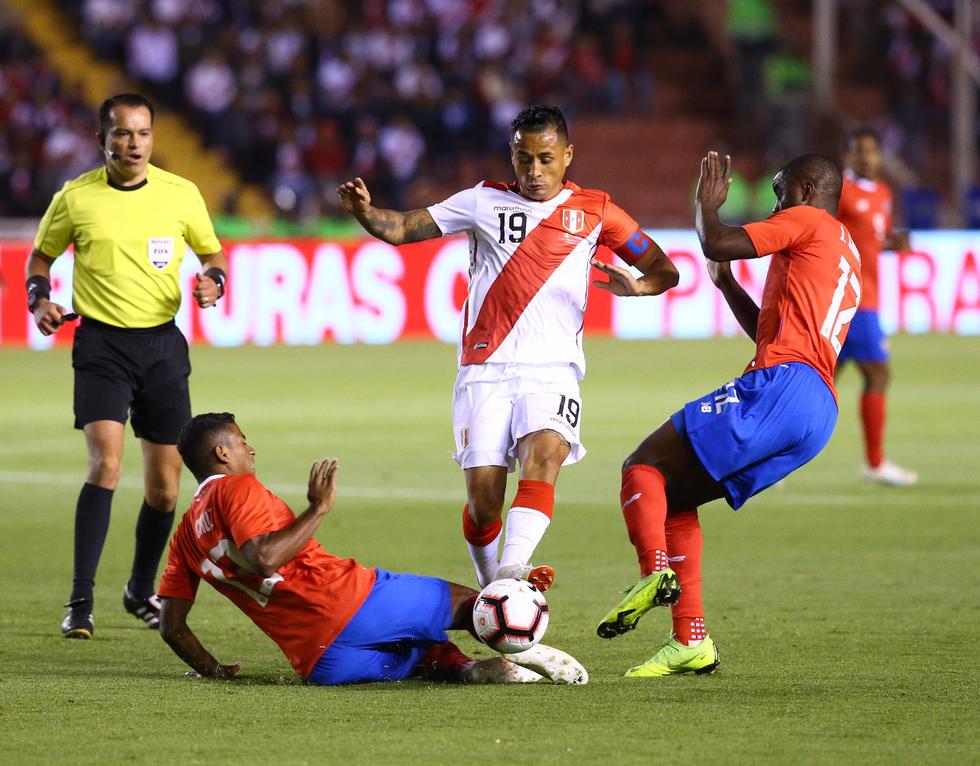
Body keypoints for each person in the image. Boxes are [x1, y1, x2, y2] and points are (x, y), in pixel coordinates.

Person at [337, 105, 678, 591]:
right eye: (523, 160)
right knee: (483, 502)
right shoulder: (481, 202)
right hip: (484, 369)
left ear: (568, 155)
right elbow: (404, 228)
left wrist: (640, 288)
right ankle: (489, 579)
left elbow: (665, 269)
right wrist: (367, 214)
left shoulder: (598, 211)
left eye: (546, 158)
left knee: (546, 456)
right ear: (511, 156)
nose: (535, 172)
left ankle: (512, 575)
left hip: (553, 369)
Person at [595, 151, 861, 677]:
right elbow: (774, 333)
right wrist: (726, 285)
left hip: (783, 388)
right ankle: (691, 640)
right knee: (673, 501)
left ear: (807, 191)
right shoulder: (841, 246)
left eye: (780, 191)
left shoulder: (806, 219)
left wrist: (706, 206)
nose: (775, 203)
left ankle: (654, 573)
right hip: (816, 411)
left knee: (643, 465)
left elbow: (715, 240)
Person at [158, 412, 588, 686]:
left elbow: (171, 624)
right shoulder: (237, 488)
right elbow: (264, 557)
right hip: (351, 601)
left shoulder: (184, 535)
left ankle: (468, 669)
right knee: (475, 603)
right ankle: (520, 640)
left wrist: (212, 668)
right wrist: (317, 509)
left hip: (321, 662)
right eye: (241, 441)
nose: (250, 448)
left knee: (423, 657)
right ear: (221, 452)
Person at [26, 93, 228, 638]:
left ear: (152, 139)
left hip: (162, 348)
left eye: (142, 133)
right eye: (121, 133)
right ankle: (79, 601)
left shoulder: (180, 194)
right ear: (102, 140)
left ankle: (139, 591)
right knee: (106, 466)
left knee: (164, 489)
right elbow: (41, 256)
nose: (132, 143)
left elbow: (213, 255)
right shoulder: (76, 197)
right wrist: (38, 298)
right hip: (101, 346)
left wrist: (215, 282)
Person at [836, 128, 917, 486]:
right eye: (859, 151)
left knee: (816, 383)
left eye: (871, 151)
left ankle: (764, 463)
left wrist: (890, 243)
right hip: (852, 300)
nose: (866, 157)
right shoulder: (839, 192)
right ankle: (874, 462)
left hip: (864, 297)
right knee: (877, 374)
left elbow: (870, 240)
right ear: (848, 156)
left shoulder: (883, 193)